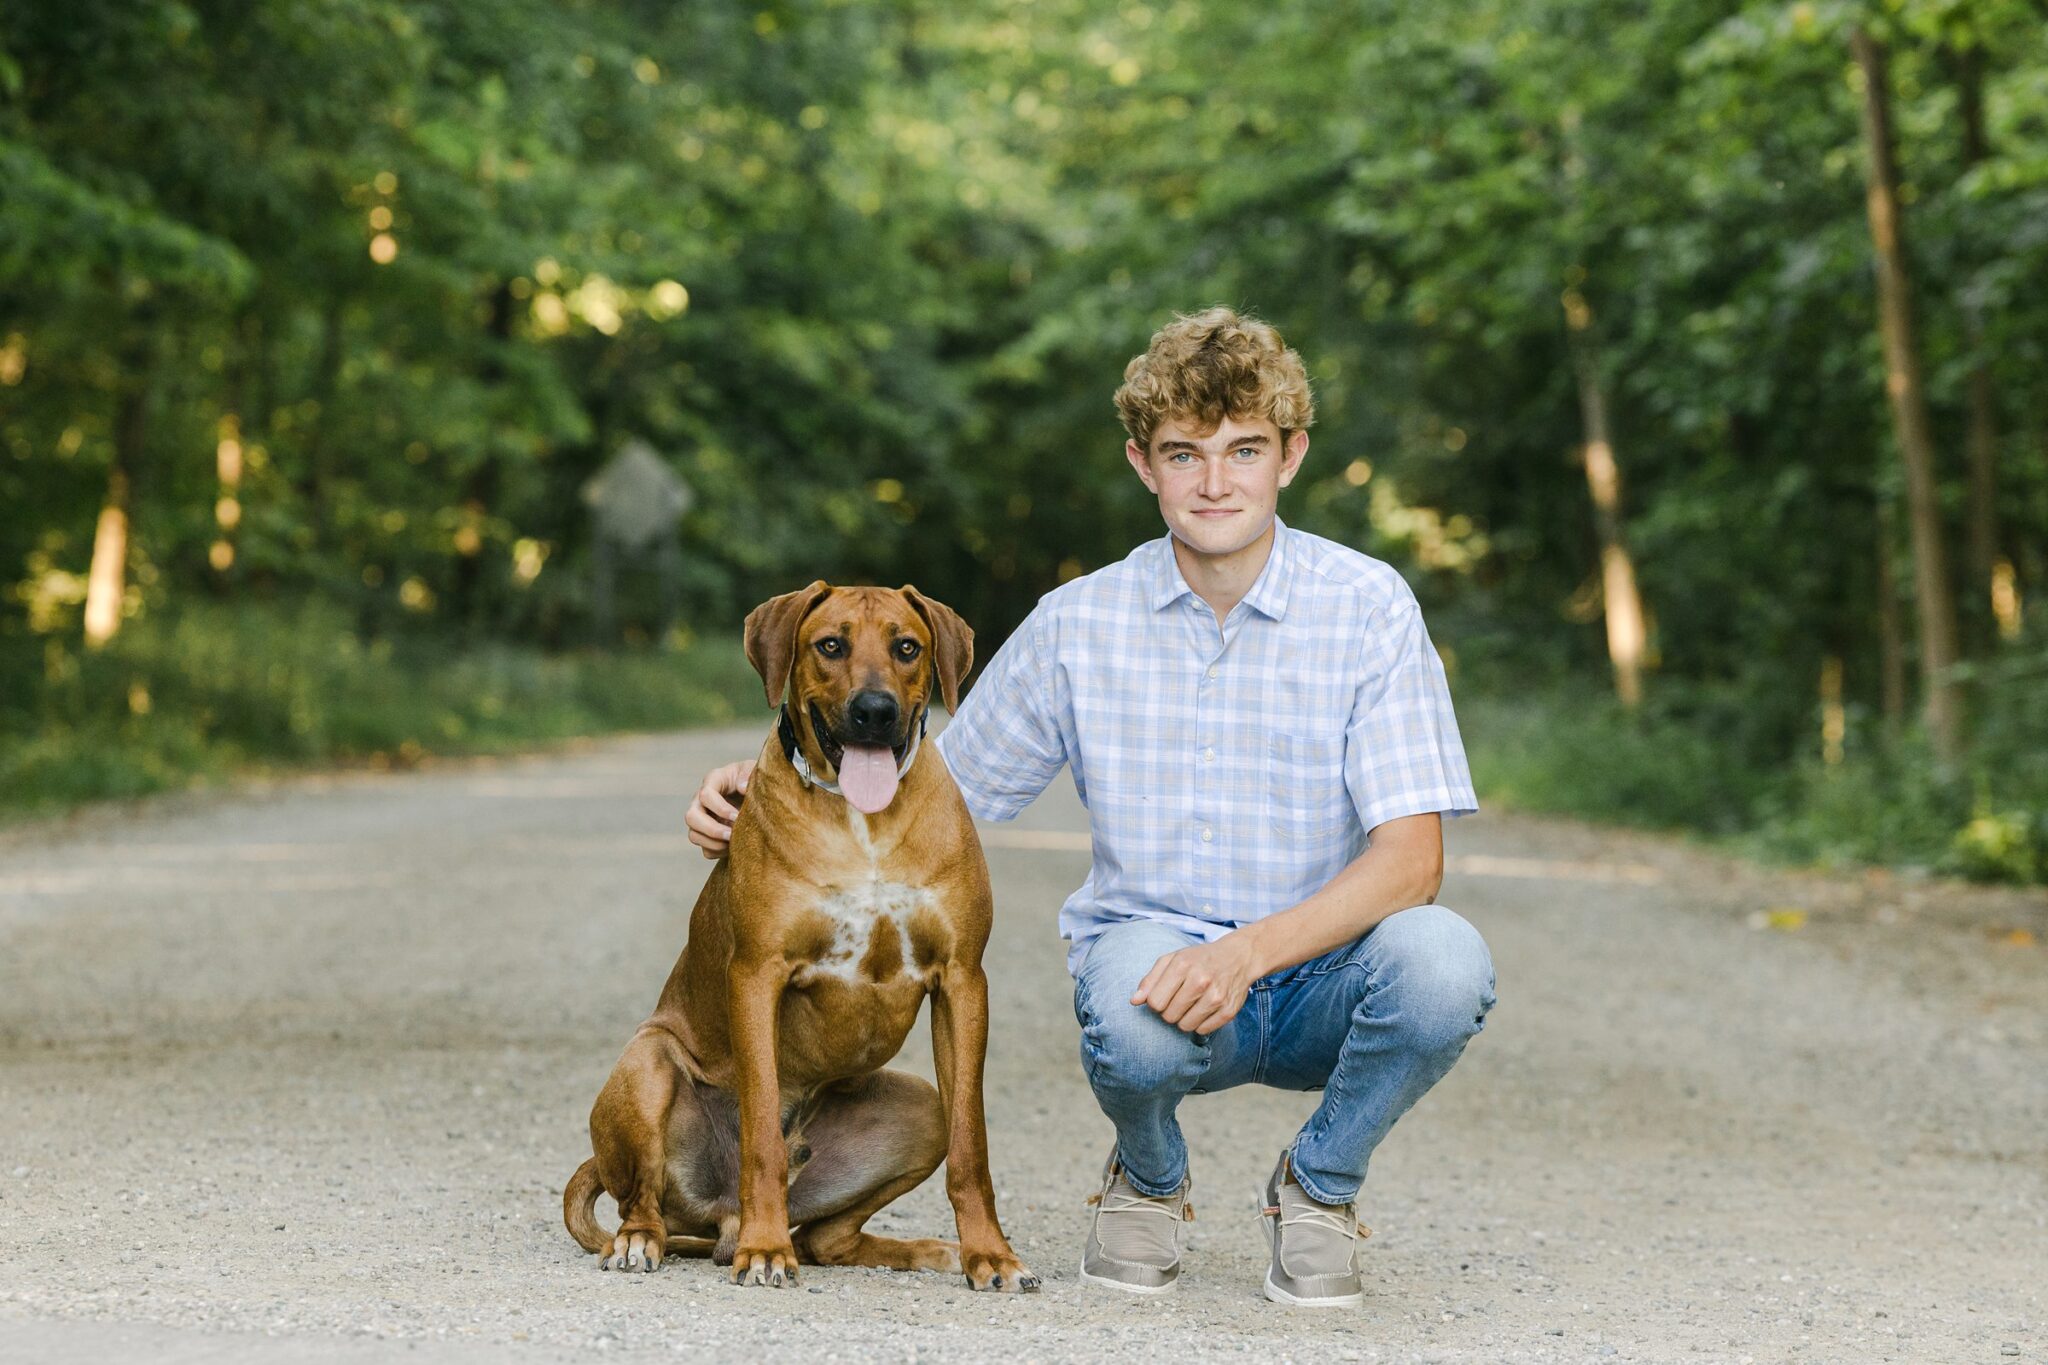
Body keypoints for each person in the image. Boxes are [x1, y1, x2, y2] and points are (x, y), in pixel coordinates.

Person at [684, 306, 1495, 1309]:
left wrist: (1241, 954)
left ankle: (1318, 1187)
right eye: (1180, 453)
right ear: (1140, 465)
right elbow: (932, 789)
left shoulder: (1369, 607)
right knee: (1126, 1010)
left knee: (1444, 961)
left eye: (1242, 450)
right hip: (1152, 978)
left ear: (1289, 456)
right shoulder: (1077, 624)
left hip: (1323, 972)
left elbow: (1410, 864)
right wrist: (759, 786)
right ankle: (1147, 1179)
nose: (1212, 482)